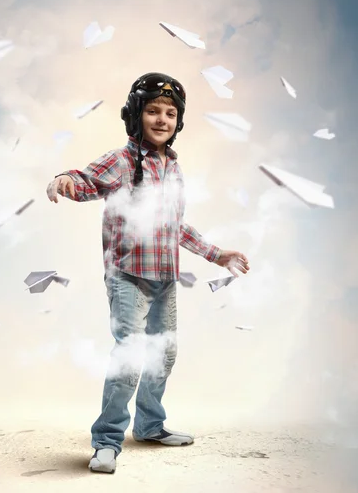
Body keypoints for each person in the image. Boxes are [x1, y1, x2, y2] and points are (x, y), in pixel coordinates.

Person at [46, 72, 250, 474]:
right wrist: (64, 178)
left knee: (165, 355)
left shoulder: (172, 168)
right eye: (153, 111)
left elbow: (176, 226)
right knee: (130, 359)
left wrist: (217, 254)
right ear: (135, 114)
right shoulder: (121, 161)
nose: (162, 119)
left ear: (179, 121)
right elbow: (86, 181)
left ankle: (150, 426)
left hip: (166, 278)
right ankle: (106, 441)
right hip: (128, 278)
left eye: (170, 113)